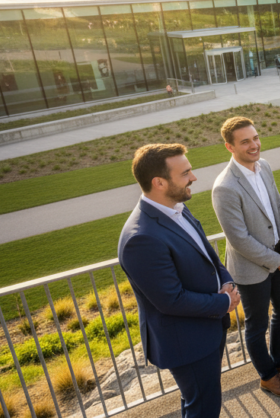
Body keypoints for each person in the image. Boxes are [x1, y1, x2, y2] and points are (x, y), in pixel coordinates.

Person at [118, 144, 239, 418]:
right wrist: (224, 302)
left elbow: (208, 256)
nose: (193, 177)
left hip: (207, 329)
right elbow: (170, 300)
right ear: (159, 182)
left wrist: (226, 282)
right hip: (187, 342)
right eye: (185, 173)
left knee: (198, 401)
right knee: (204, 408)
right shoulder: (141, 238)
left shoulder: (177, 208)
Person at [212, 117, 280, 398]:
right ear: (230, 147)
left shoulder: (265, 166)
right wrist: (275, 259)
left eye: (255, 138)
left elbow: (279, 206)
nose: (254, 145)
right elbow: (239, 239)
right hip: (251, 267)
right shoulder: (224, 187)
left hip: (279, 256)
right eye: (245, 141)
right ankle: (268, 377)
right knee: (256, 325)